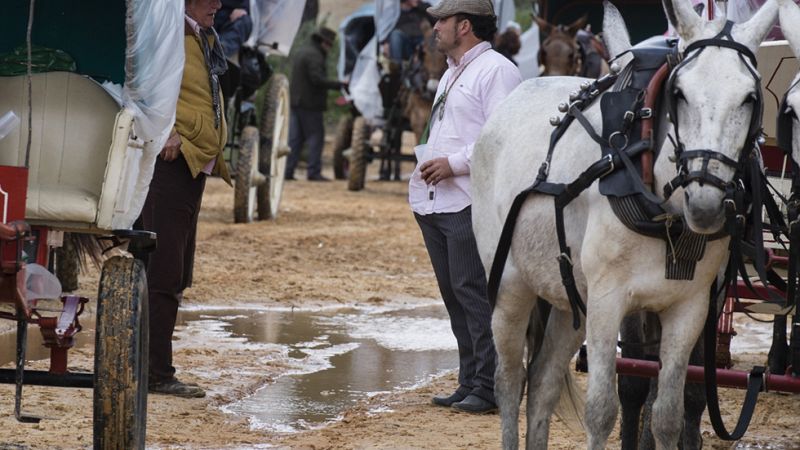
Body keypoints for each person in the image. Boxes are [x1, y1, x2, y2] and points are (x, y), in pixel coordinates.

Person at [409, 0, 522, 414]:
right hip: (438, 201)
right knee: (456, 297)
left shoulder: (498, 71)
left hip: (470, 202)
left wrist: (453, 164)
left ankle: (491, 388)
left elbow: (503, 138)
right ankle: (469, 380)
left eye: (442, 20)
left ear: (465, 26)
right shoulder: (452, 73)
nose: (434, 26)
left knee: (474, 294)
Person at [142, 0, 231, 398]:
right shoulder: (169, 33)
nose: (218, 3)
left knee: (173, 272)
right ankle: (156, 373)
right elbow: (143, 84)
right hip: (170, 163)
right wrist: (167, 130)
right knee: (163, 272)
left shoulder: (198, 34)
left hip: (191, 164)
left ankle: (155, 368)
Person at [284, 27, 346, 182]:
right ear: (325, 42)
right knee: (315, 138)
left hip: (296, 103)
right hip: (310, 104)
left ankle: (288, 171)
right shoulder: (315, 56)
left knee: (295, 140)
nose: (330, 49)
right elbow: (317, 80)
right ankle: (313, 172)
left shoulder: (303, 51)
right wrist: (339, 85)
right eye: (330, 45)